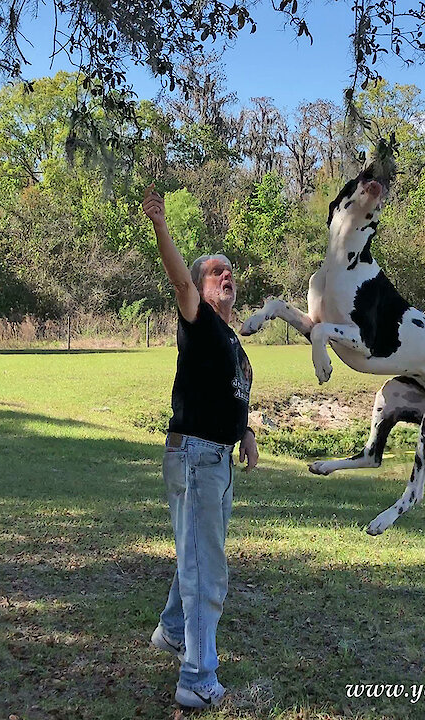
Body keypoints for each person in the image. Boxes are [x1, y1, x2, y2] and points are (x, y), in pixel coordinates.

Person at [142, 184, 258, 710]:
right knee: (206, 567)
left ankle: (171, 632)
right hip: (195, 456)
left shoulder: (231, 340)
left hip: (215, 458)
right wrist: (162, 228)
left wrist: (247, 434)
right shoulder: (198, 319)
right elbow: (177, 280)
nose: (226, 276)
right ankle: (196, 676)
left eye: (230, 271)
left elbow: (232, 394)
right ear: (199, 285)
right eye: (216, 272)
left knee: (196, 552)